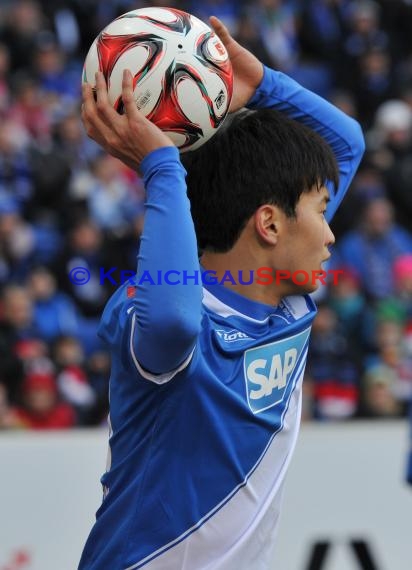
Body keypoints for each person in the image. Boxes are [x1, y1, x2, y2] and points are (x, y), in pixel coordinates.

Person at [78, 16, 364, 570]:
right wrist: (162, 167)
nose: (331, 234)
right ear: (269, 225)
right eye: (321, 214)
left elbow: (345, 145)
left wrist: (261, 88)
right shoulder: (164, 310)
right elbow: (174, 323)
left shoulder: (291, 298)